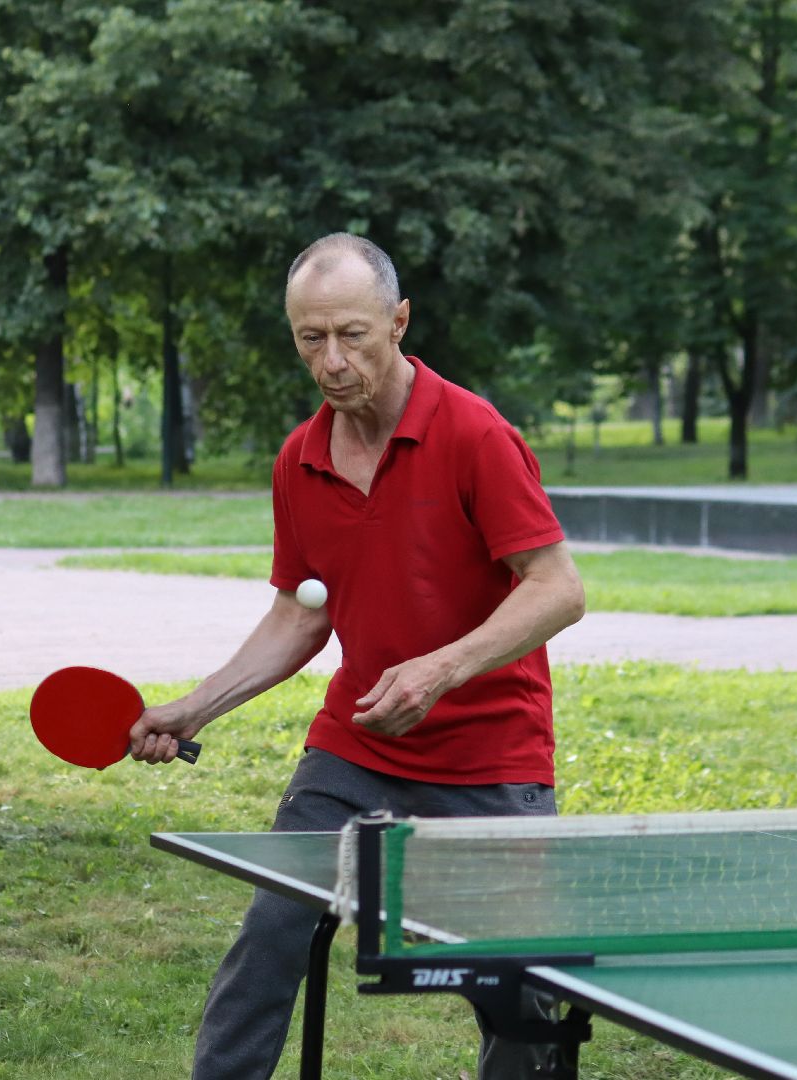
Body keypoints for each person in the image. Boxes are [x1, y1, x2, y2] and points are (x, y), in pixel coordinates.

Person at [129, 232, 586, 1078]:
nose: (332, 360)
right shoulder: (298, 461)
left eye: (352, 335)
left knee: (519, 990)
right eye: (311, 338)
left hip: (490, 756)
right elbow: (300, 617)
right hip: (356, 749)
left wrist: (441, 667)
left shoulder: (475, 435)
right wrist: (194, 707)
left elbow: (557, 588)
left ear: (399, 321)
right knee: (268, 937)